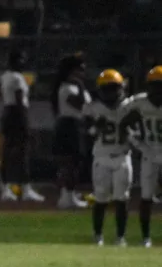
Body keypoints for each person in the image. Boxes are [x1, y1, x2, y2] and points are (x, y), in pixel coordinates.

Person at [83, 69, 132, 246]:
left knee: (121, 199)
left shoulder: (129, 106)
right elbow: (87, 134)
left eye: (113, 88)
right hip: (101, 156)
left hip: (122, 156)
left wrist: (131, 133)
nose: (111, 93)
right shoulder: (93, 107)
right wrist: (96, 127)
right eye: (107, 89)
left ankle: (120, 236)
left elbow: (138, 130)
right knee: (101, 198)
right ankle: (98, 235)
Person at [120, 65, 162, 248]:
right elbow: (123, 123)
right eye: (156, 85)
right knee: (146, 197)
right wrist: (137, 143)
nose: (158, 90)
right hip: (150, 153)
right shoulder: (139, 103)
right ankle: (146, 237)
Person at [0, 50, 46, 202]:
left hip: (7, 112)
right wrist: (26, 123)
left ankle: (5, 187)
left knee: (7, 152)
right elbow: (19, 100)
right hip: (17, 115)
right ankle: (25, 188)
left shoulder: (5, 76)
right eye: (21, 59)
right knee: (22, 152)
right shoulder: (18, 77)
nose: (23, 62)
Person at [52, 53, 92, 209]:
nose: (83, 73)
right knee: (70, 163)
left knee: (75, 163)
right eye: (80, 69)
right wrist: (81, 86)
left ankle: (69, 194)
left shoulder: (73, 87)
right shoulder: (67, 88)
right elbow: (81, 105)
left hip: (76, 125)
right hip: (69, 126)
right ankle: (66, 196)